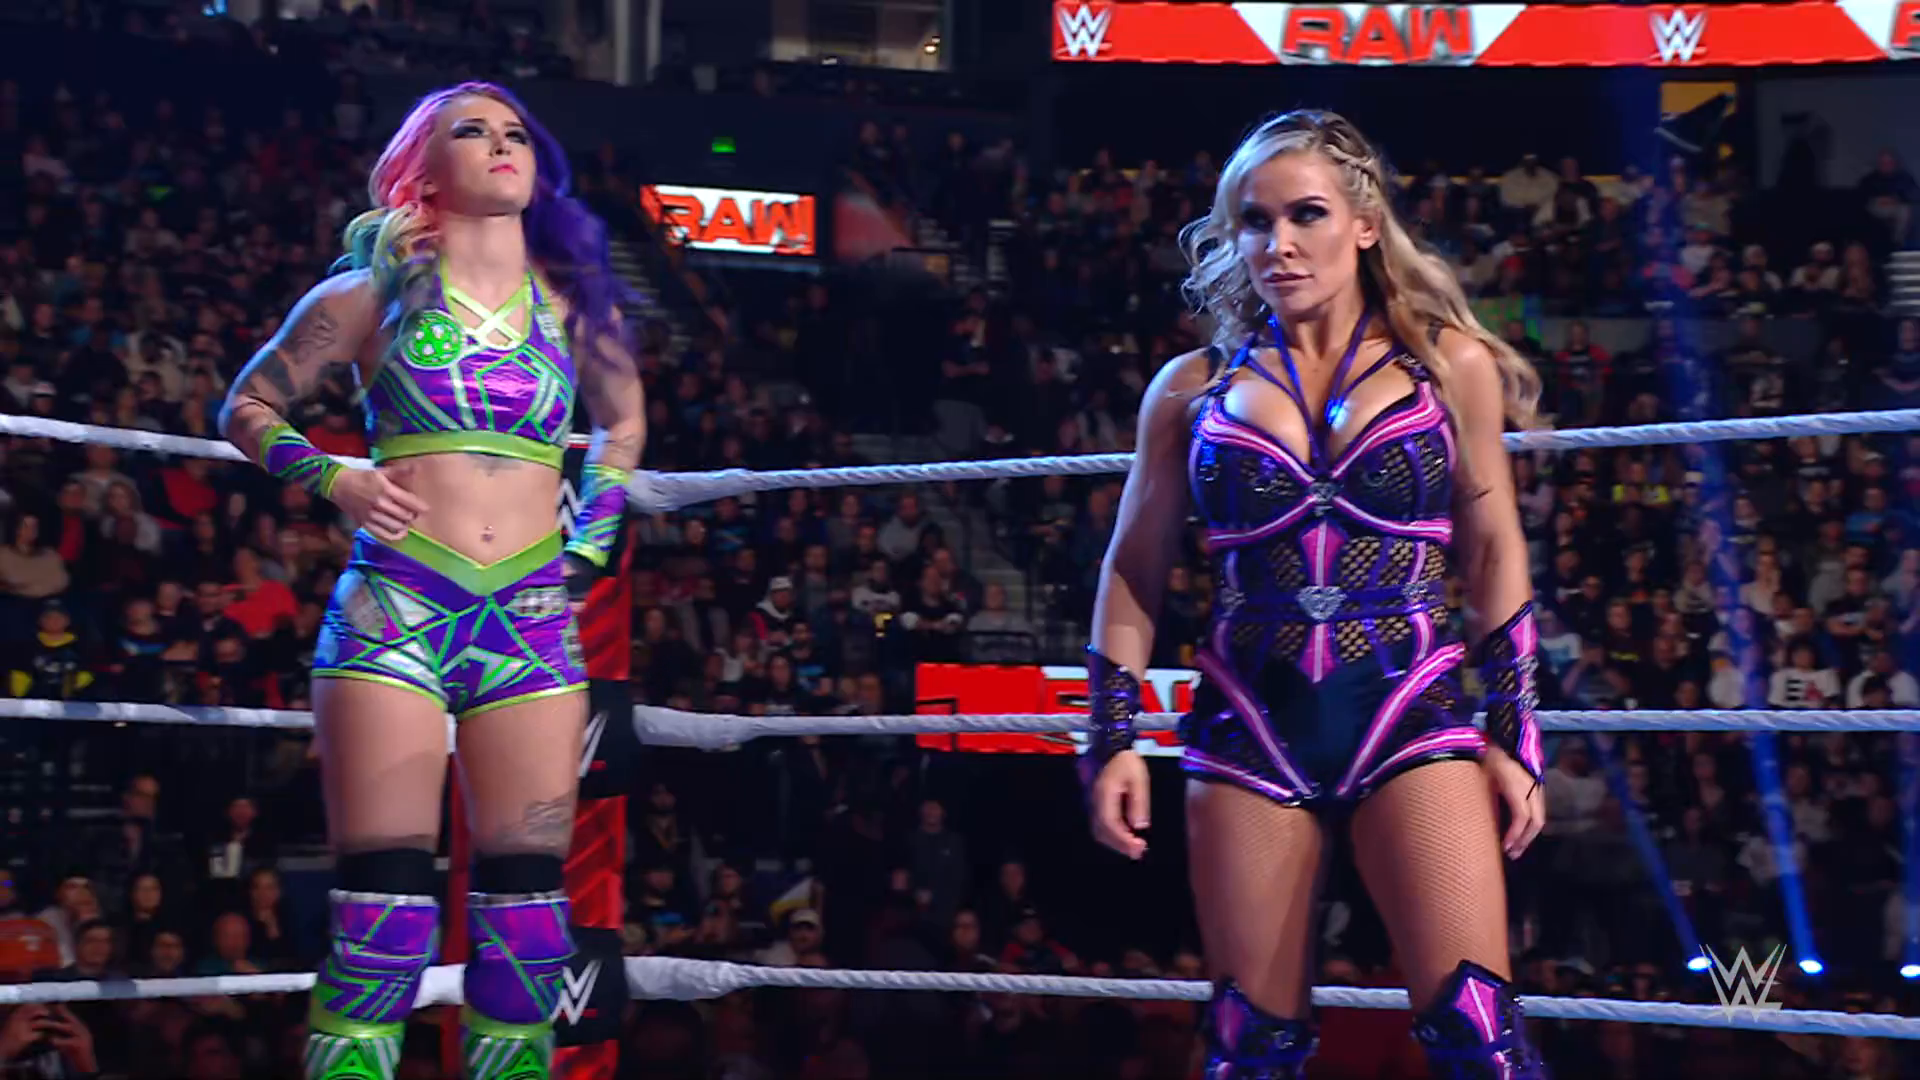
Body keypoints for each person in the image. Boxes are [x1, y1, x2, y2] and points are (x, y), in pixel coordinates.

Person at [1080, 110, 1548, 1078]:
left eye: (1306, 215)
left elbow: (1495, 548)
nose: (1278, 244)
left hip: (1409, 707)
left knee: (1482, 1039)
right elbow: (1133, 565)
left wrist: (1516, 734)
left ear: (1365, 223)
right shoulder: (1191, 386)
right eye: (1255, 221)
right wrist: (1112, 737)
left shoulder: (1449, 365)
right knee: (1251, 1051)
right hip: (1251, 719)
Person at [218, 82, 644, 1080]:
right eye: (472, 130)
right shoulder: (369, 293)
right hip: (397, 610)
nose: (502, 144)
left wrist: (590, 542)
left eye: (515, 132)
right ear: (423, 166)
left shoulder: (573, 304)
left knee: (530, 919)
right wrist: (335, 478)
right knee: (383, 918)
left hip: (530, 618)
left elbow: (624, 425)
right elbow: (247, 405)